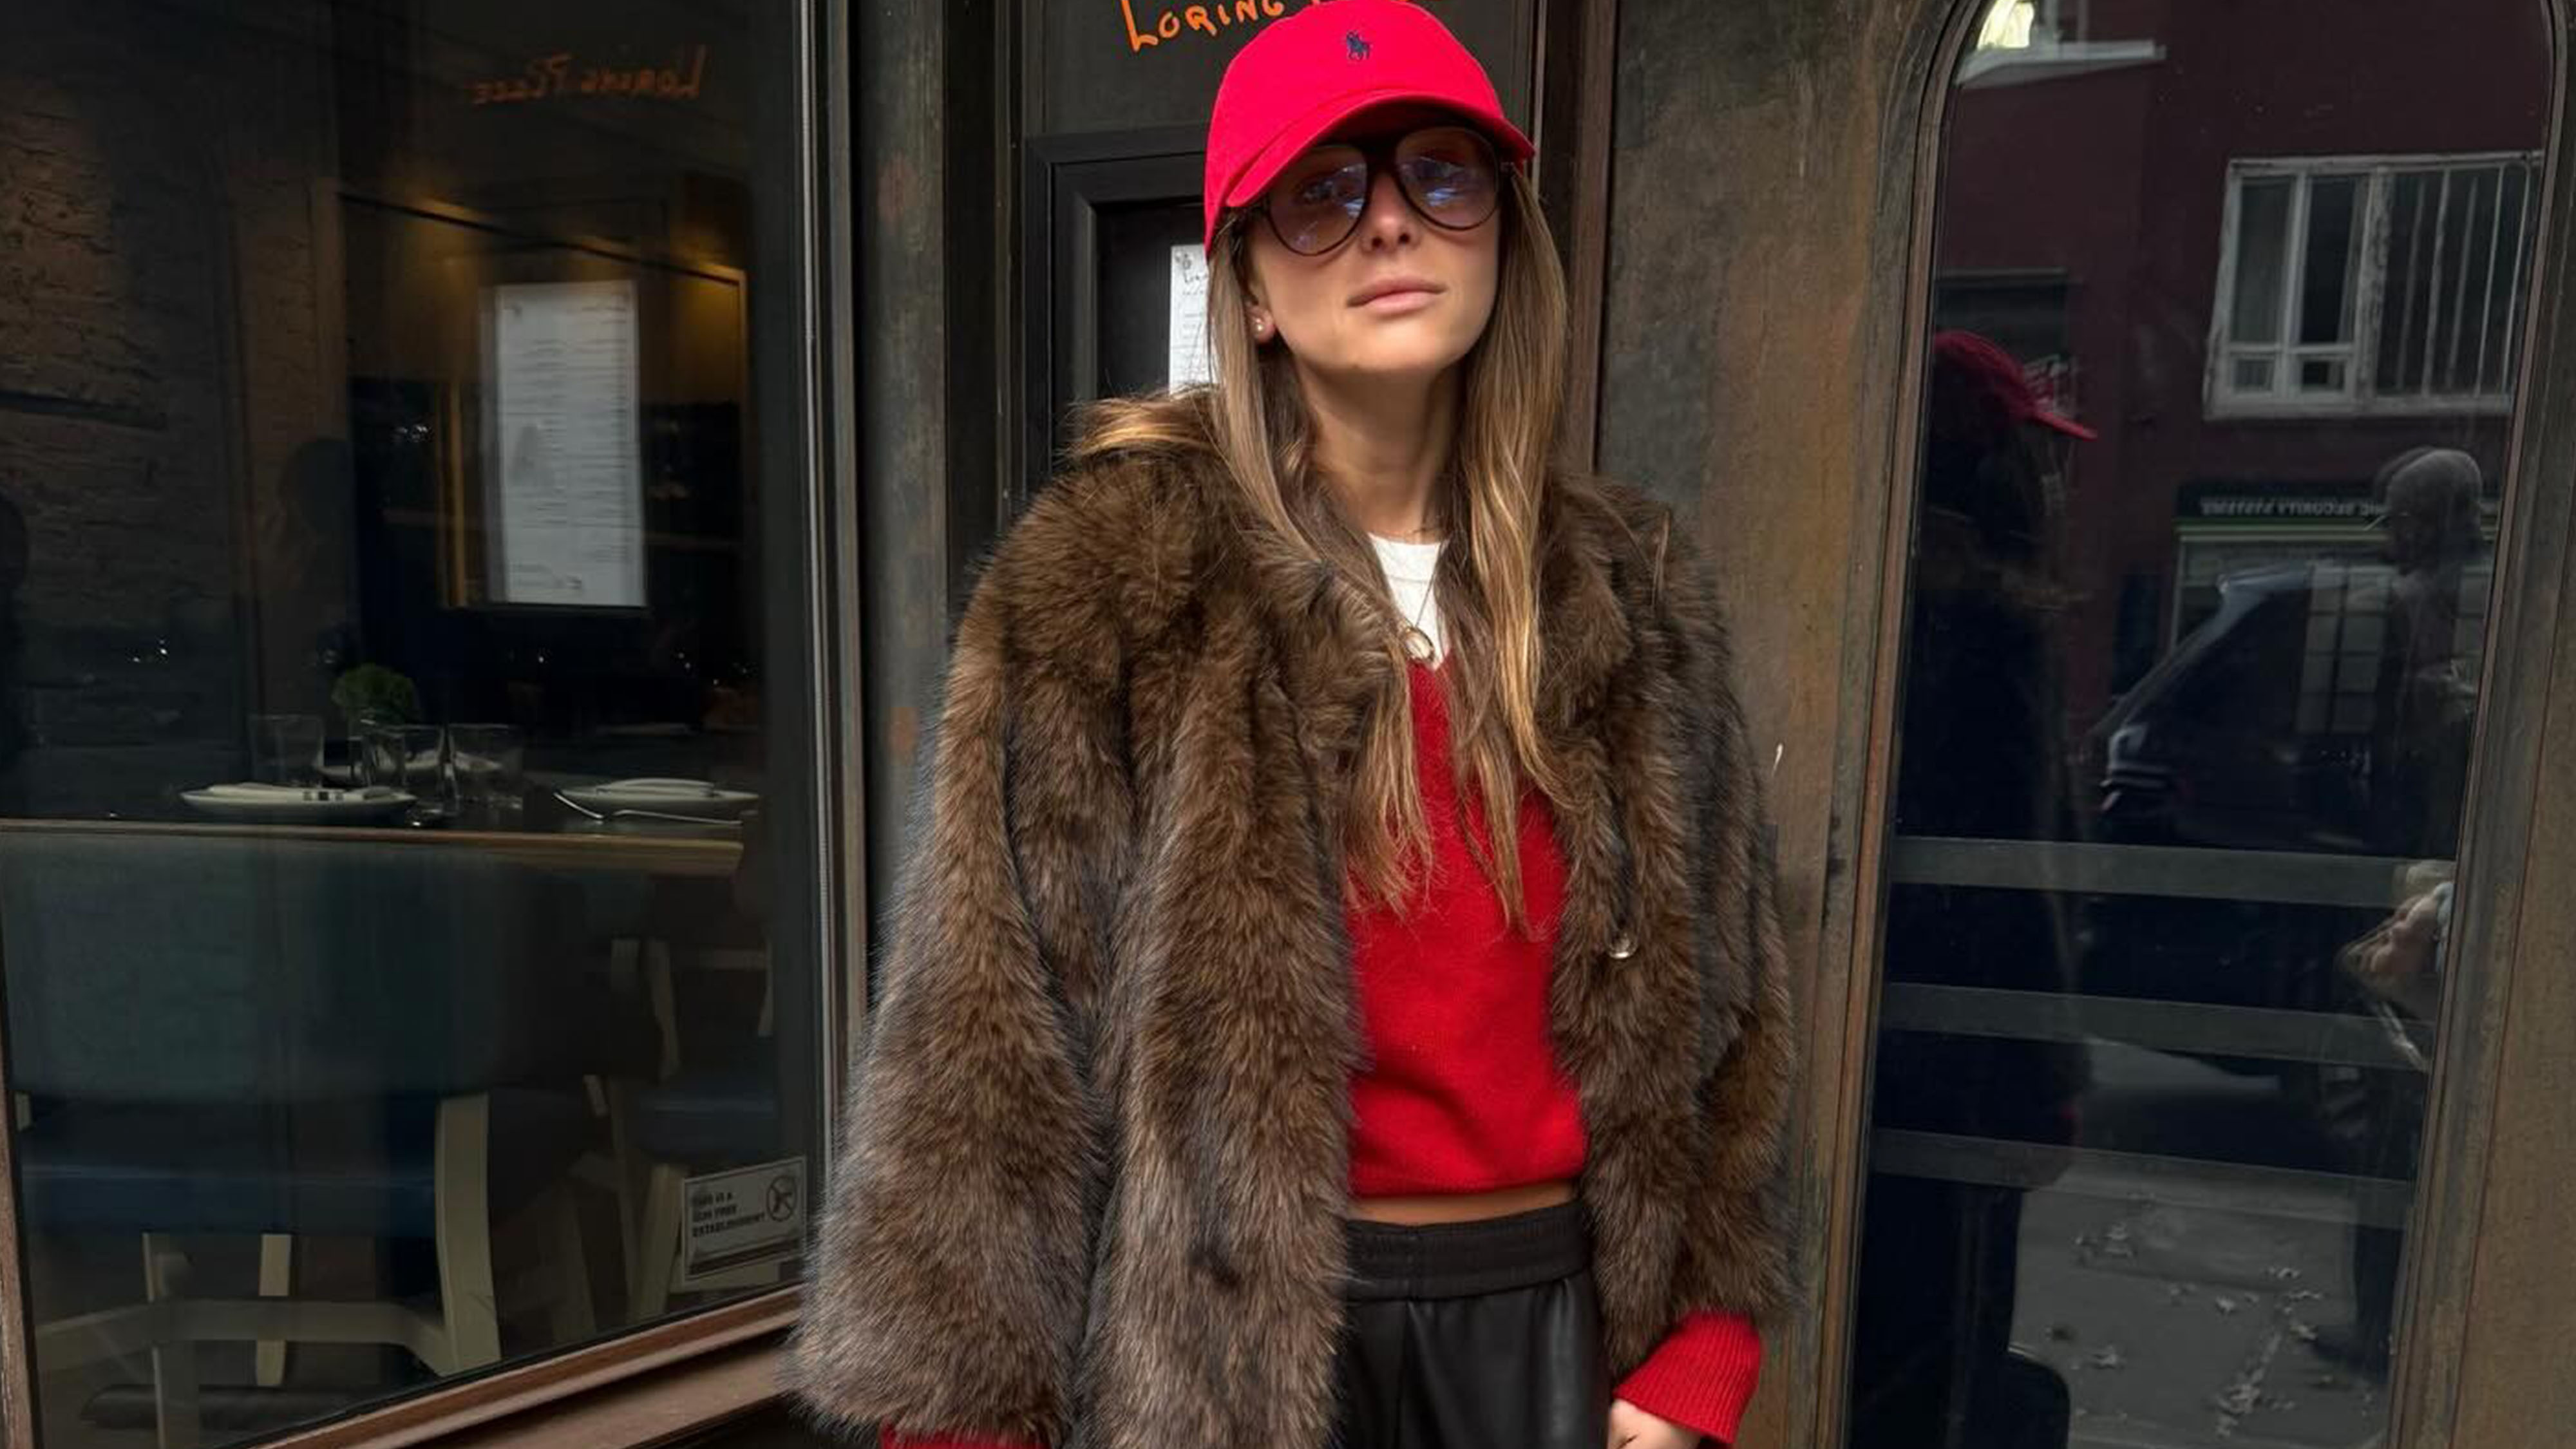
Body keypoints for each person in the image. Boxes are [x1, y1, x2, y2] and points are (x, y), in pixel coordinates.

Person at [784, 4, 1794, 1446]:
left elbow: (1734, 1020)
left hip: (1559, 1336)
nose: (1389, 225)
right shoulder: (1114, 584)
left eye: (1439, 176)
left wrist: (1698, 1357)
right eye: (1321, 195)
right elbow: (986, 1052)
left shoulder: (1633, 594)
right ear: (1249, 284)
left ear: (1502, 236)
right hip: (1230, 1359)